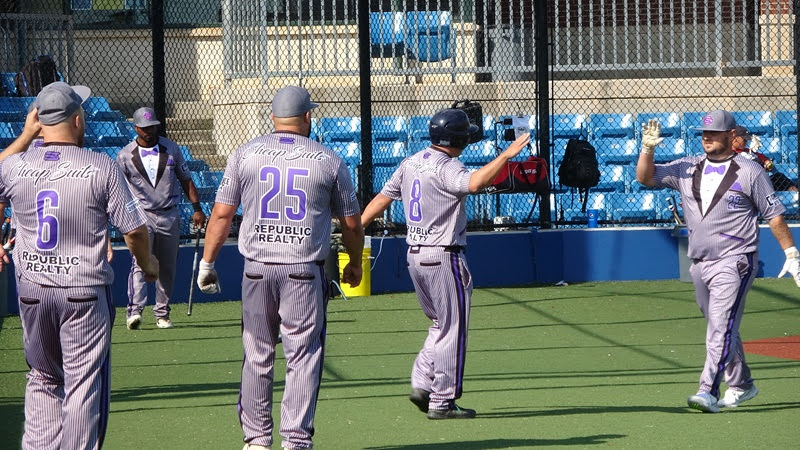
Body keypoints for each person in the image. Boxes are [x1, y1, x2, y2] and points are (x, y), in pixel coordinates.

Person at [196, 85, 364, 450]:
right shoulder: (328, 159)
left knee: (257, 354)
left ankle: (257, 440)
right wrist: (354, 262)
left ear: (273, 117)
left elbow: (221, 214)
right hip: (302, 269)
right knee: (302, 356)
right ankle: (296, 441)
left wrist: (207, 262)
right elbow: (351, 224)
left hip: (257, 268)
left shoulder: (244, 154)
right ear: (308, 116)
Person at [0, 82, 158, 449]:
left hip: (33, 290)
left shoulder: (15, 166)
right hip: (83, 291)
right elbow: (134, 230)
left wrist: (26, 135)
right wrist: (147, 263)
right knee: (83, 384)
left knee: (42, 378)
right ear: (76, 119)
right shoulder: (100, 166)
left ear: (39, 121)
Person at [361, 108, 531, 419]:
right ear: (458, 139)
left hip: (415, 255)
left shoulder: (411, 162)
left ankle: (422, 382)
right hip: (443, 255)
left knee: (441, 323)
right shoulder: (448, 166)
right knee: (453, 329)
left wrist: (357, 227)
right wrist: (506, 155)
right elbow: (474, 183)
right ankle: (442, 401)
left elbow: (383, 198)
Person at [636, 109, 800, 413]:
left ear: (731, 135)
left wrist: (791, 253)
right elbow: (645, 177)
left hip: (735, 259)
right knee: (720, 324)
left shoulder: (750, 171)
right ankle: (742, 384)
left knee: (720, 325)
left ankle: (707, 391)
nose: (707, 138)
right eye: (704, 133)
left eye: (714, 133)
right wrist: (647, 149)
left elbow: (774, 215)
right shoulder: (687, 167)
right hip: (699, 261)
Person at [116, 107, 206, 330]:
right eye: (144, 128)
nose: (148, 132)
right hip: (141, 215)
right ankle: (134, 312)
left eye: (152, 127)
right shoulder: (125, 155)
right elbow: (119, 189)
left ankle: (162, 313)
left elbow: (186, 179)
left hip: (169, 213)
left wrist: (197, 208)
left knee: (167, 265)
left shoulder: (172, 148)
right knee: (140, 262)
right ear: (136, 128)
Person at [731, 126, 798, 192]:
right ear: (735, 137)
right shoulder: (729, 153)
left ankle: (795, 196)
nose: (746, 142)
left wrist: (767, 162)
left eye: (746, 140)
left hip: (760, 182)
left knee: (780, 177)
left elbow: (763, 158)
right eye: (744, 139)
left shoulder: (749, 151)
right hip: (745, 184)